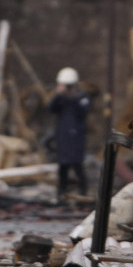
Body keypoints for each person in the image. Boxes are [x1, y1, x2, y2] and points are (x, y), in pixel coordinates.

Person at [47, 67, 90, 200]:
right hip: (63, 136)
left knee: (77, 164)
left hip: (76, 136)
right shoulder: (60, 99)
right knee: (63, 166)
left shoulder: (82, 97)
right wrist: (59, 94)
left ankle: (83, 190)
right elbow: (50, 109)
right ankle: (61, 191)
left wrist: (72, 96)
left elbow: (83, 111)